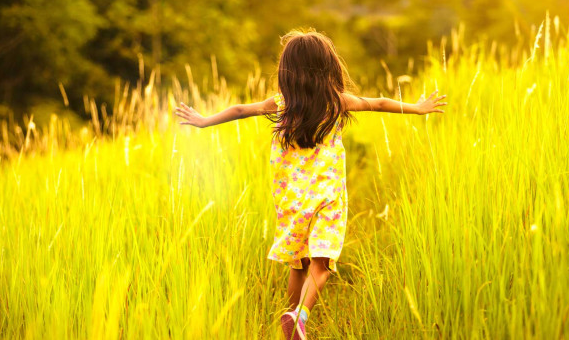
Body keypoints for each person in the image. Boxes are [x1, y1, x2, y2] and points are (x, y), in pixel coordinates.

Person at [174, 29, 447, 339]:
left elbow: (239, 110)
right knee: (322, 264)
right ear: (327, 66)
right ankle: (300, 317)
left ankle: (292, 327)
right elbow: (380, 102)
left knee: (298, 263)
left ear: (287, 71)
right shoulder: (337, 101)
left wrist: (203, 120)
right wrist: (417, 107)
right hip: (327, 197)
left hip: (290, 198)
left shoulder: (281, 103)